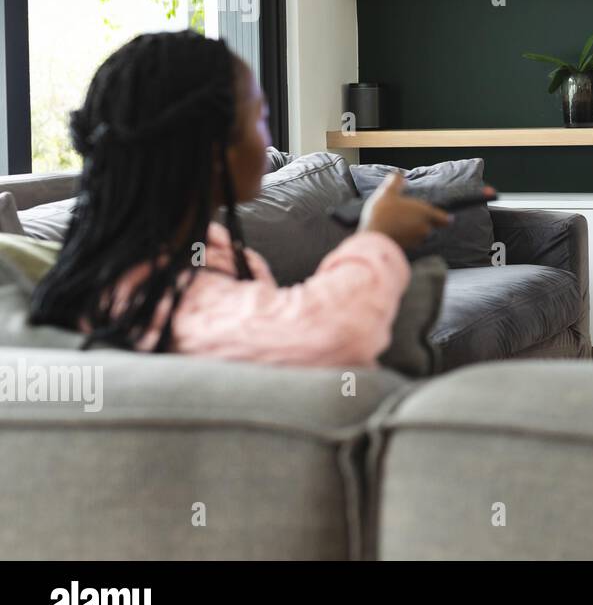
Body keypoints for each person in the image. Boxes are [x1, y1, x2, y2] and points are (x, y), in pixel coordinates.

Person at [29, 30, 443, 367]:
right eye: (260, 118)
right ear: (214, 150)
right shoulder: (154, 301)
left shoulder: (167, 260)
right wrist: (377, 239)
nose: (267, 139)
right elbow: (328, 337)